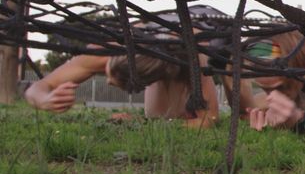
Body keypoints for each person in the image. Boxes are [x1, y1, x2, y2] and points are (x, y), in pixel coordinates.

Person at [23, 48, 228, 128]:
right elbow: (37, 88)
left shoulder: (190, 61)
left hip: (177, 54)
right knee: (158, 113)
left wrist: (146, 124)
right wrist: (45, 100)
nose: (107, 82)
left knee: (161, 113)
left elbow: (209, 119)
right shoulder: (100, 54)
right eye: (105, 72)